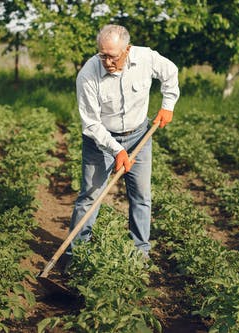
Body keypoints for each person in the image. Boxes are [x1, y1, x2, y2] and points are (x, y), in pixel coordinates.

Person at [65, 24, 179, 264]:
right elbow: (91, 124)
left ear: (127, 49)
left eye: (112, 56)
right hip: (100, 140)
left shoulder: (145, 57)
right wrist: (117, 151)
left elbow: (170, 72)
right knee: (91, 196)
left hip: (139, 134)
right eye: (102, 55)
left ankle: (140, 253)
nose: (106, 61)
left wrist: (167, 105)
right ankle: (76, 255)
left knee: (141, 196)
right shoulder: (88, 74)